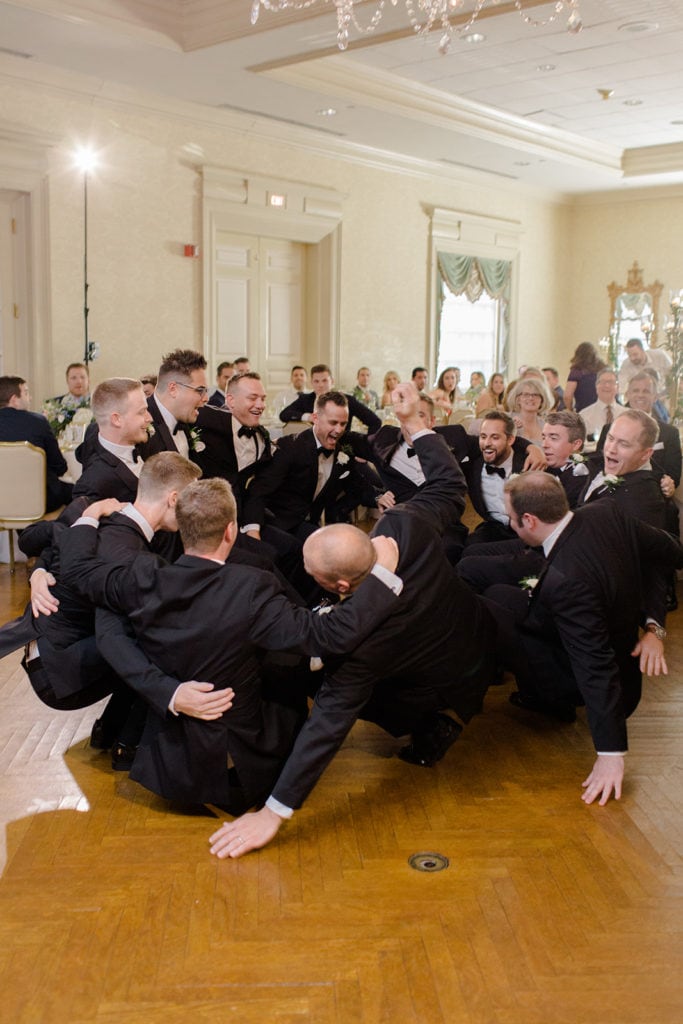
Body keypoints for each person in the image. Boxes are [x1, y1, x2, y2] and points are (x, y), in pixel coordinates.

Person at [208, 383, 499, 859]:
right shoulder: (405, 523)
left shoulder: (361, 643)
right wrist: (413, 422)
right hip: (474, 633)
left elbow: (328, 725)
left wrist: (273, 812)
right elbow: (448, 484)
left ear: (339, 587)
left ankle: (436, 722)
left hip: (441, 674)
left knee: (325, 689)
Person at [58, 476, 402, 811]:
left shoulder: (141, 577)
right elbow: (330, 635)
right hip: (233, 777)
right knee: (290, 673)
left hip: (171, 771)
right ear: (230, 532)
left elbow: (78, 570)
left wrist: (88, 518)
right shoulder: (252, 587)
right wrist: (382, 574)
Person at [483, 472, 682, 806]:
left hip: (585, 682)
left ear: (529, 520)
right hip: (621, 659)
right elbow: (670, 550)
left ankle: (545, 700)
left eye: (511, 518)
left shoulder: (567, 582)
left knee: (488, 612)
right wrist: (652, 624)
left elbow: (595, 666)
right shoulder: (605, 512)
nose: (510, 524)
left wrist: (610, 752)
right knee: (499, 593)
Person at [243, 391, 377, 544]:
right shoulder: (289, 447)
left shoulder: (343, 450)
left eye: (343, 424)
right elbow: (258, 491)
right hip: (280, 524)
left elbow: (357, 484)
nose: (339, 430)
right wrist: (252, 531)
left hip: (311, 524)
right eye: (333, 423)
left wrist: (379, 498)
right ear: (315, 419)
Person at [462, 410, 546, 544]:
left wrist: (534, 448)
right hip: (493, 527)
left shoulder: (529, 463)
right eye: (483, 436)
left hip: (527, 530)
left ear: (511, 440)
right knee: (468, 547)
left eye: (495, 437)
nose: (487, 443)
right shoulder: (473, 463)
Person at [576, 409, 665, 529]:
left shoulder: (644, 500)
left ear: (646, 454)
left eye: (624, 444)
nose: (611, 449)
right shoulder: (597, 462)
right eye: (610, 438)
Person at [72, 377, 152, 504]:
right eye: (142, 412)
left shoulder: (143, 442)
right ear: (116, 419)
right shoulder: (93, 485)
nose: (150, 418)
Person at [0, 375, 72, 512]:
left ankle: (26, 532)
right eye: (26, 393)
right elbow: (59, 467)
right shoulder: (37, 422)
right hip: (40, 500)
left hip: (2, 502)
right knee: (81, 493)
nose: (30, 398)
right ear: (14, 400)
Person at [279, 363, 380, 433]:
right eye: (316, 381)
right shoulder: (305, 399)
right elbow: (284, 415)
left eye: (324, 381)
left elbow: (375, 422)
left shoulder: (347, 400)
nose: (321, 385)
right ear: (311, 383)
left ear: (332, 381)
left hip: (340, 452)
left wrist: (365, 449)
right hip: (310, 454)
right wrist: (308, 417)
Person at [541, 410, 588, 508]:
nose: (544, 445)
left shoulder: (582, 477)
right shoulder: (542, 469)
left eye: (553, 438)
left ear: (576, 444)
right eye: (544, 437)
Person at [43, 362, 91, 436]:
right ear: (67, 381)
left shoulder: (99, 404)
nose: (79, 381)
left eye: (82, 377)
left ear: (88, 380)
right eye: (74, 378)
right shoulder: (52, 405)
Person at [507, 377, 553, 444]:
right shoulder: (507, 420)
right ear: (518, 399)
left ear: (542, 400)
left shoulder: (546, 425)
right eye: (526, 394)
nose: (531, 398)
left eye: (535, 395)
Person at [577, 368, 619, 440]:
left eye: (611, 382)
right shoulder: (583, 416)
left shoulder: (627, 414)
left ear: (617, 387)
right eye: (603, 382)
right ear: (596, 386)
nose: (607, 385)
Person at [563, 342, 606, 412]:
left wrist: (570, 409)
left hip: (583, 409)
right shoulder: (603, 369)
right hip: (603, 409)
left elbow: (567, 396)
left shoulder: (577, 371)